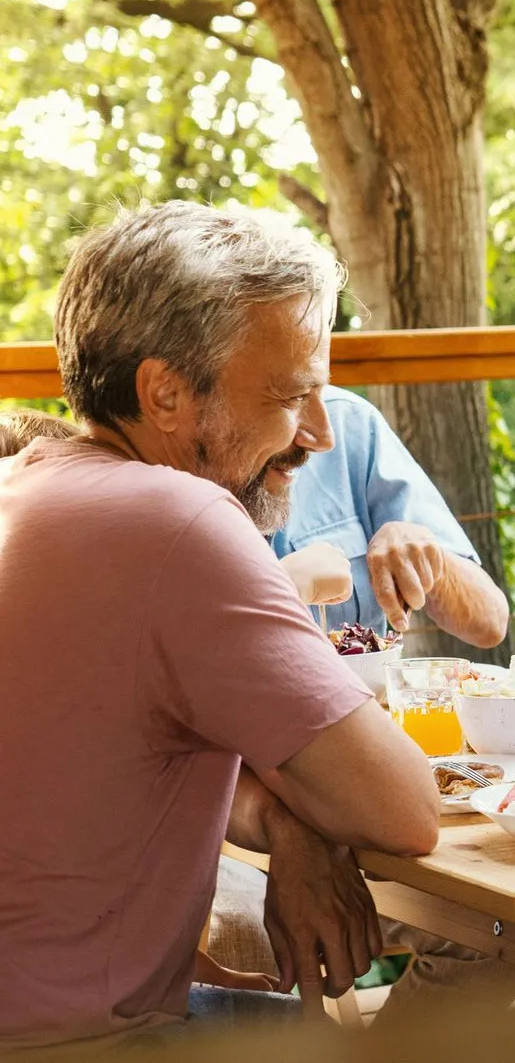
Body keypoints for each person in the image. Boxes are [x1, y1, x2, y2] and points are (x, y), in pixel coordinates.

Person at [0, 203, 439, 1048]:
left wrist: (285, 821)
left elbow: (130, 750)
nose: (317, 432)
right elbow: (403, 807)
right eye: (291, 394)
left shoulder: (27, 486)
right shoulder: (178, 522)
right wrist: (308, 807)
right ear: (165, 394)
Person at [269, 384, 509, 647]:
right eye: (292, 396)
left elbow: (490, 623)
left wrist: (426, 557)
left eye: (317, 384)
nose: (325, 437)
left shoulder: (349, 422)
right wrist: (278, 588)